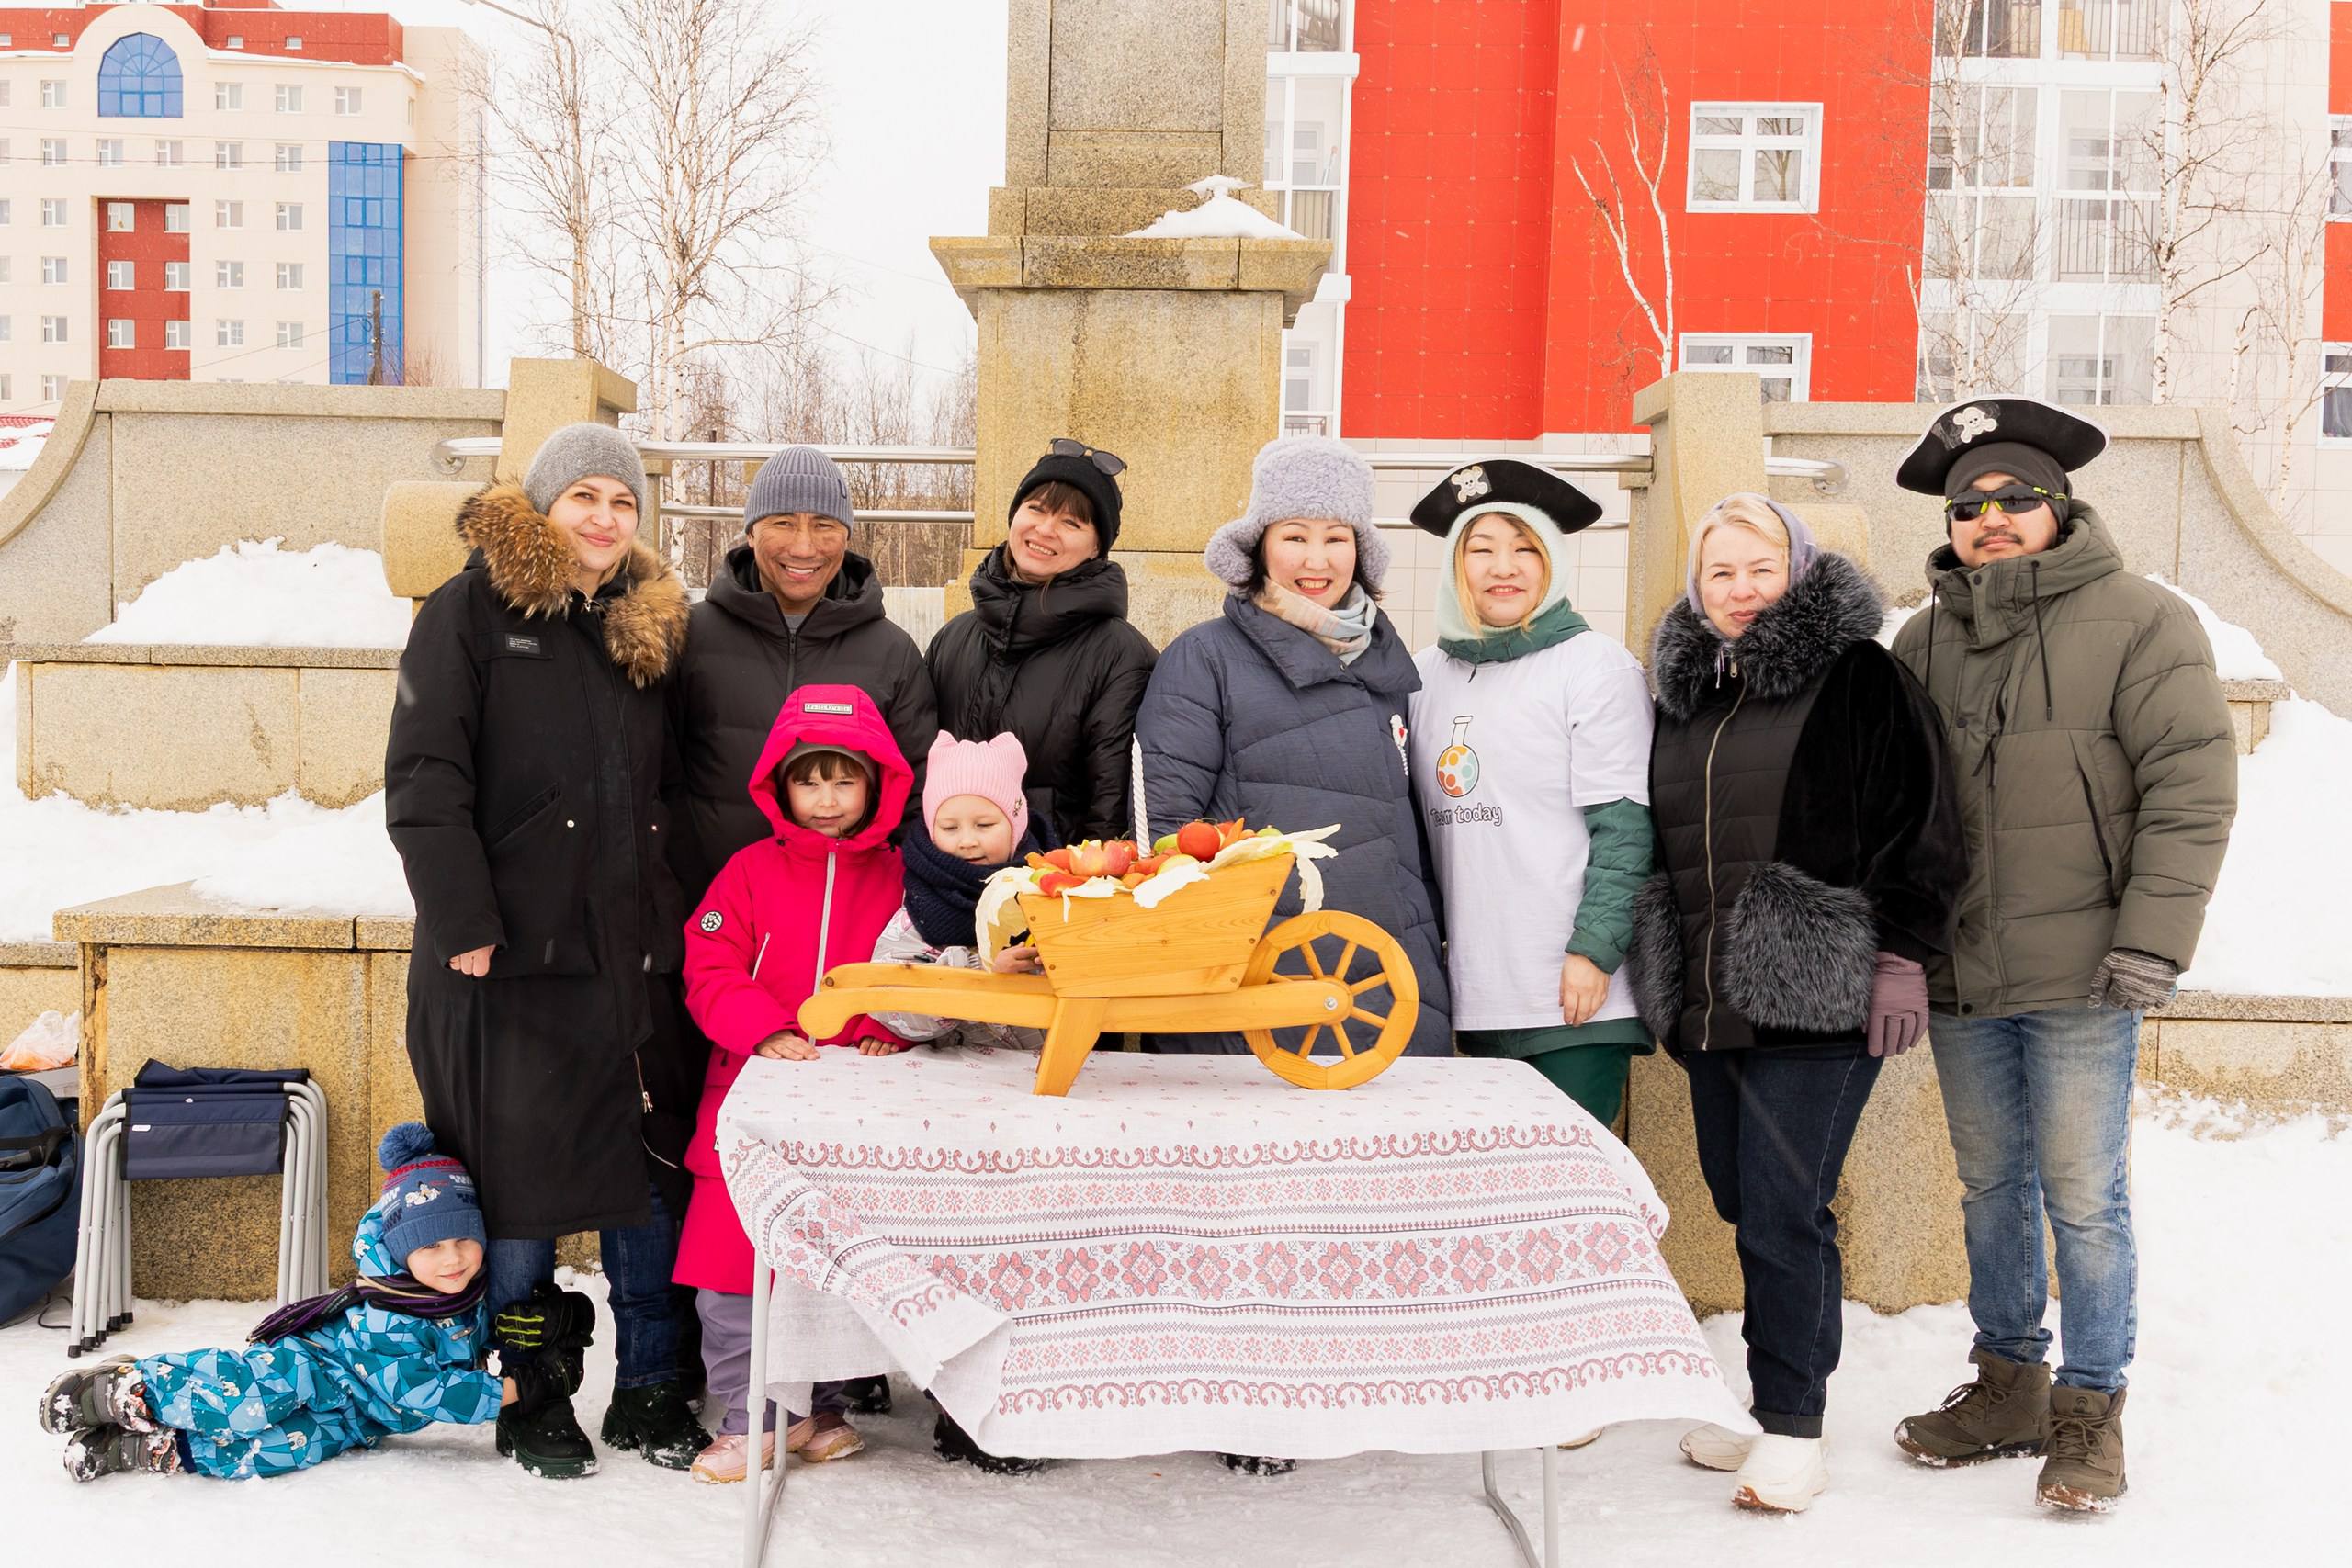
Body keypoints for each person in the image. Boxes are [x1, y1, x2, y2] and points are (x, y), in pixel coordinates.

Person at [1887, 397, 2237, 1513]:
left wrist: (2151, 944)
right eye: (1968, 506)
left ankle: (2088, 1410)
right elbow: (1894, 806)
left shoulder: (2141, 619)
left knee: (2083, 1196)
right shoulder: (1921, 638)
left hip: (2088, 973)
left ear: (2057, 507)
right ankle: (2007, 1383)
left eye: (2011, 502)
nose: (1989, 521)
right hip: (1961, 972)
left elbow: (2192, 789)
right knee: (1991, 1188)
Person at [1626, 492, 1963, 1515]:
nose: (1739, 589)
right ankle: (1771, 1395)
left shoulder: (1858, 675)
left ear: (1797, 572)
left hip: (1816, 994)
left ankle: (1790, 1424)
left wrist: (1901, 953)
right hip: (1712, 994)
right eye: (1719, 571)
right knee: (1739, 1198)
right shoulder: (1686, 693)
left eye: (1758, 568)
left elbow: (1926, 819)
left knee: (1782, 1209)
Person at [386, 423, 709, 1480]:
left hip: (628, 950)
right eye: (585, 497)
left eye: (622, 500)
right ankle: (531, 1391)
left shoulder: (645, 631)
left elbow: (667, 791)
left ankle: (653, 1377)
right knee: (516, 1184)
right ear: (545, 506)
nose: (605, 517)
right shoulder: (468, 613)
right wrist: (464, 921)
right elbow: (426, 778)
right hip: (506, 957)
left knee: (647, 1173)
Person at [1137, 434, 1451, 1065]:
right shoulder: (1204, 659)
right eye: (1295, 535)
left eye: (1337, 536)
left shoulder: (1389, 669)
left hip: (1388, 989)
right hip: (1260, 995)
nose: (1317, 558)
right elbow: (1167, 841)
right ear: (1259, 546)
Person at [37, 1124, 576, 1483]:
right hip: (311, 1368)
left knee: (273, 1451)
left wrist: (564, 1319)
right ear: (401, 1251)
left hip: (354, 1418)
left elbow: (489, 1331)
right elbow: (420, 1392)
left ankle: (150, 1449)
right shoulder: (392, 1309)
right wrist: (518, 1389)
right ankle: (127, 1390)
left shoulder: (467, 1295)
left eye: (464, 1240)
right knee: (243, 1400)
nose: (453, 1260)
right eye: (430, 1246)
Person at [673, 684, 914, 1482]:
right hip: (752, 1102)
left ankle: (822, 1408)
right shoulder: (748, 871)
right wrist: (763, 1028)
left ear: (877, 784)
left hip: (855, 1113)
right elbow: (707, 966)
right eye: (810, 779)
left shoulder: (903, 877)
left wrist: (884, 1028)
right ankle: (753, 1418)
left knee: (839, 1266)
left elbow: (920, 977)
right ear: (781, 786)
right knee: (735, 1276)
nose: (826, 797)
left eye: (845, 778)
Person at [1406, 459, 1656, 1130]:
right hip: (1474, 996)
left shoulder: (1593, 667)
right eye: (1480, 549)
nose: (1502, 567)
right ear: (1456, 566)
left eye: (1524, 548)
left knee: (1570, 1195)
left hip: (1572, 999)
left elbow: (1625, 826)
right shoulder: (1425, 675)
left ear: (1551, 562)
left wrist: (1593, 951)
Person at [666, 446, 937, 907]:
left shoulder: (891, 651)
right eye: (783, 522)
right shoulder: (690, 636)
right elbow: (655, 778)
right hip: (709, 907)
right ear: (751, 533)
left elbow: (917, 796)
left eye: (824, 525)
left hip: (847, 914)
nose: (804, 547)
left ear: (846, 537)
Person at [926, 439, 1158, 844]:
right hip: (947, 875)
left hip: (1052, 884)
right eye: (1036, 509)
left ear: (1097, 548)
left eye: (1073, 523)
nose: (1046, 530)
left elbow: (1111, 802)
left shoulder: (1121, 656)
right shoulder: (953, 638)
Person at [869, 729, 1051, 1053]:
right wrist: (982, 970)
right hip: (949, 1080)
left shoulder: (1050, 892)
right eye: (950, 828)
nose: (967, 841)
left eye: (984, 825)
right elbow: (889, 1002)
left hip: (1041, 1072)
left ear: (1015, 824)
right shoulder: (922, 905)